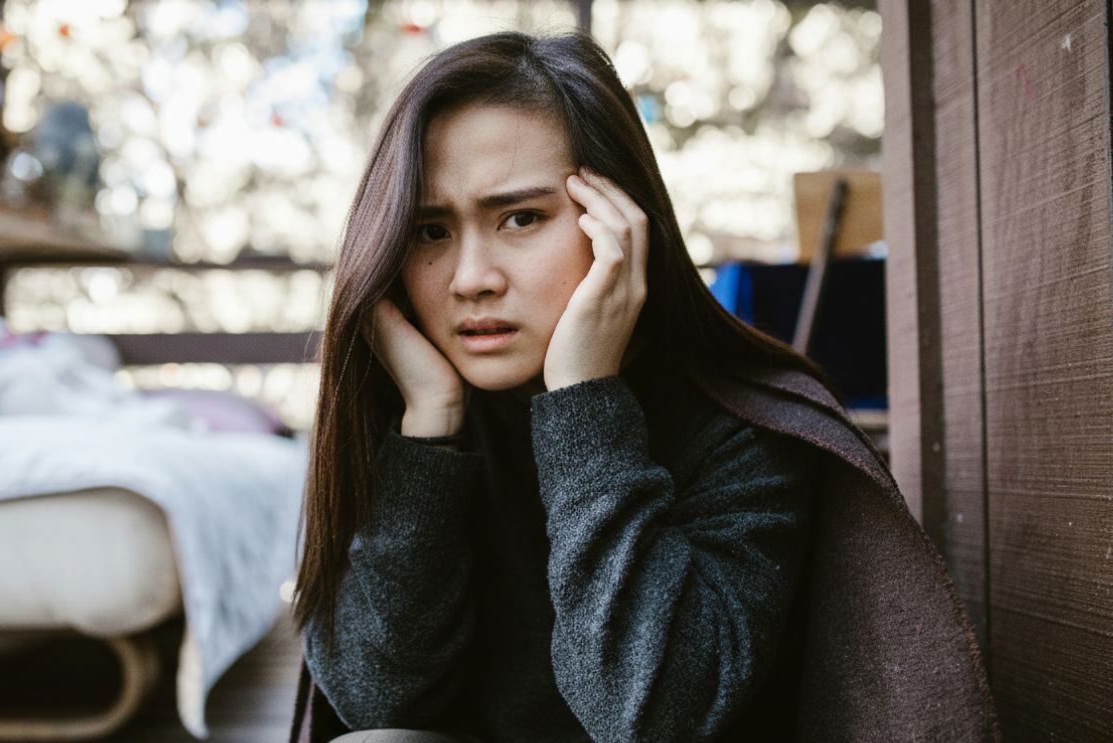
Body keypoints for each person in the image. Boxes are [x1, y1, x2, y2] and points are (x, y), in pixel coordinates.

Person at [289, 30, 999, 743]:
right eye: (430, 231)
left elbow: (650, 717)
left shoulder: (743, 427)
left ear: (620, 225)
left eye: (521, 218)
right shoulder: (411, 411)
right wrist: (428, 429)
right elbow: (372, 700)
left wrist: (583, 405)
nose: (472, 278)